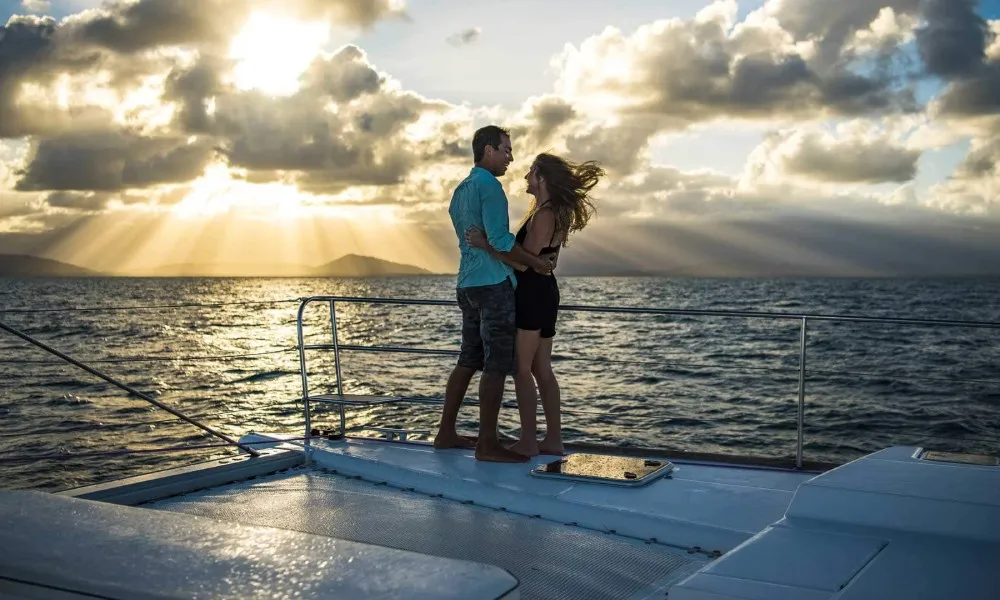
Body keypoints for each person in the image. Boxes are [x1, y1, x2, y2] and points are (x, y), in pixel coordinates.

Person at [465, 153, 604, 457]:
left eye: (531, 172)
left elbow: (524, 262)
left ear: (541, 178)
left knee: (521, 368)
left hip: (532, 292)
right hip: (544, 291)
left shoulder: (544, 214)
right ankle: (552, 440)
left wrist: (485, 244)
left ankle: (530, 439)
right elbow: (540, 260)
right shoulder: (549, 211)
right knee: (541, 368)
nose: (525, 176)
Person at [433, 125, 556, 463]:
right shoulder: (491, 188)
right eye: (506, 150)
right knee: (497, 365)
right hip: (492, 286)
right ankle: (487, 444)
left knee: (468, 359)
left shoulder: (461, 190)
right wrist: (538, 263)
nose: (510, 158)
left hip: (467, 285)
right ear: (488, 150)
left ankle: (445, 433)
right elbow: (501, 242)